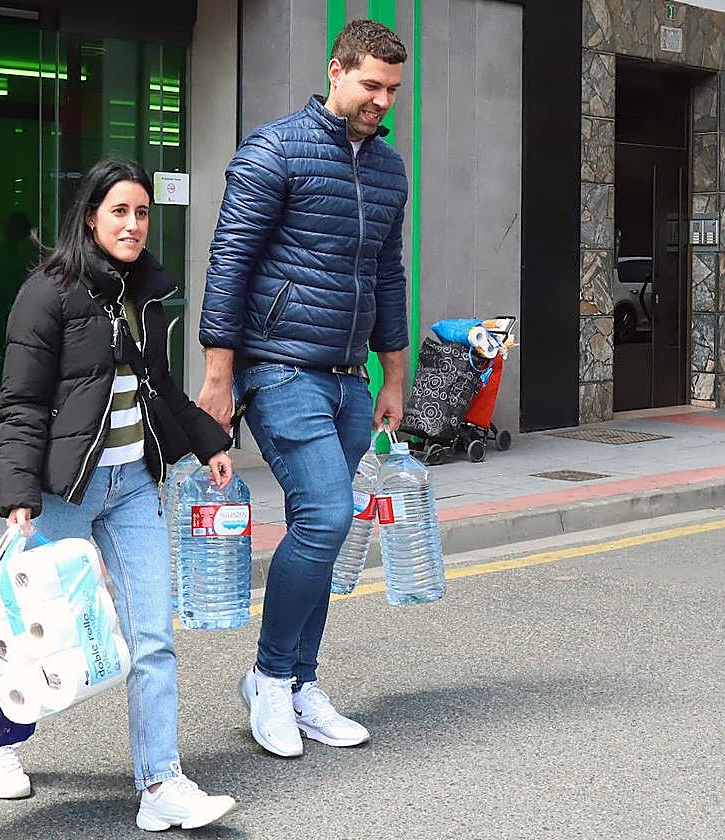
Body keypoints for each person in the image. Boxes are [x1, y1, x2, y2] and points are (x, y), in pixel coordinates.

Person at [0, 157, 239, 832]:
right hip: (65, 492)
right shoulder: (49, 291)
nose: (131, 224)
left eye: (142, 212)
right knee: (42, 636)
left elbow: (160, 389)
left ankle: (161, 784)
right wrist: (18, 494)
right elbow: (20, 404)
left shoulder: (143, 292)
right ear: (90, 216)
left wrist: (210, 442)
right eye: (118, 211)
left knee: (150, 639)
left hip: (133, 491)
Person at [196, 20, 411, 759]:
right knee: (324, 514)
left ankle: (299, 684)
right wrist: (218, 377)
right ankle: (266, 677)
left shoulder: (388, 170)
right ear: (336, 70)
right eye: (370, 86)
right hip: (281, 367)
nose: (380, 101)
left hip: (349, 377)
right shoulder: (274, 148)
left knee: (327, 529)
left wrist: (394, 372)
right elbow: (228, 263)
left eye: (391, 91)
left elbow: (387, 273)